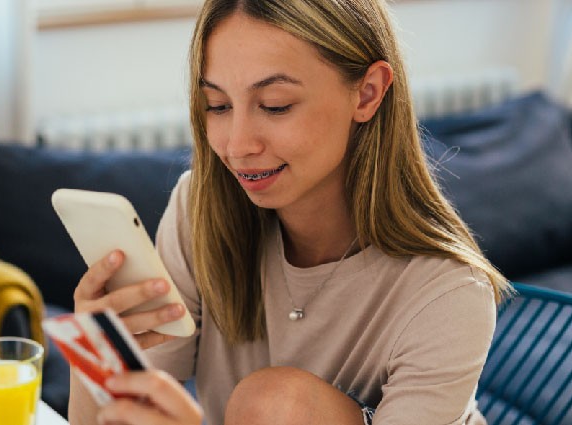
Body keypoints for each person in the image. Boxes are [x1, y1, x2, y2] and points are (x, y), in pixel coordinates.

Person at [68, 0, 511, 424]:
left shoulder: (448, 294)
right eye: (218, 106)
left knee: (276, 405)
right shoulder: (199, 209)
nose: (238, 145)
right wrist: (94, 354)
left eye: (275, 105)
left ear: (368, 93)